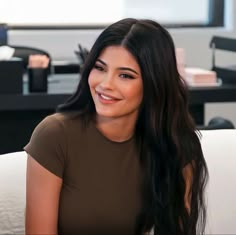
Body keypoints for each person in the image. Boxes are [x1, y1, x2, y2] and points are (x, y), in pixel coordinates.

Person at [24, 18, 208, 235]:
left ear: (154, 83)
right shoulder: (54, 136)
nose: (105, 84)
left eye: (125, 75)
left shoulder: (179, 145)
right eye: (100, 68)